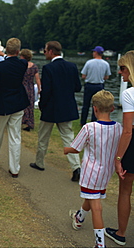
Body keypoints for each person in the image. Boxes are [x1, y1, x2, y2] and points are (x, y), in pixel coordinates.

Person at [64, 90, 122, 248]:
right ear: (112, 108)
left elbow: (76, 148)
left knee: (96, 206)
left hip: (91, 172)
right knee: (92, 196)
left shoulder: (89, 128)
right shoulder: (118, 128)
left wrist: (66, 149)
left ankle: (99, 244)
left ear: (94, 108)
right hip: (106, 173)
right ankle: (79, 217)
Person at [29, 41, 82, 181]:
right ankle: (76, 167)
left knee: (43, 137)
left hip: (51, 108)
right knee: (68, 139)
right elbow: (78, 87)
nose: (44, 53)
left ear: (51, 51)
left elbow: (46, 91)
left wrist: (41, 104)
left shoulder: (48, 68)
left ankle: (39, 162)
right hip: (67, 107)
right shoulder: (72, 66)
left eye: (45, 51)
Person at [0, 38, 29, 178]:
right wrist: (7, 55)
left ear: (5, 50)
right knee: (15, 136)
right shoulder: (22, 64)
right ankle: (14, 168)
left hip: (1, 104)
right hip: (17, 103)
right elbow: (18, 60)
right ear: (18, 51)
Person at [105, 50, 134, 246]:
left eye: (122, 69)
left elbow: (127, 131)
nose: (120, 73)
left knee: (125, 190)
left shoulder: (129, 94)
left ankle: (121, 233)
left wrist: (117, 159)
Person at [80, 46, 111, 126]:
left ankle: (83, 122)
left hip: (89, 85)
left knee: (86, 104)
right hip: (99, 86)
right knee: (97, 105)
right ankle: (94, 121)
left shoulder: (89, 62)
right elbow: (107, 77)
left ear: (96, 53)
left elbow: (83, 75)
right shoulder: (106, 64)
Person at [19, 49, 41, 131]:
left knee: (21, 105)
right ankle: (29, 122)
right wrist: (39, 89)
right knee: (30, 105)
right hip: (30, 87)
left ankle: (21, 120)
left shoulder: (20, 66)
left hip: (21, 86)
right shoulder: (34, 66)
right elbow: (37, 79)